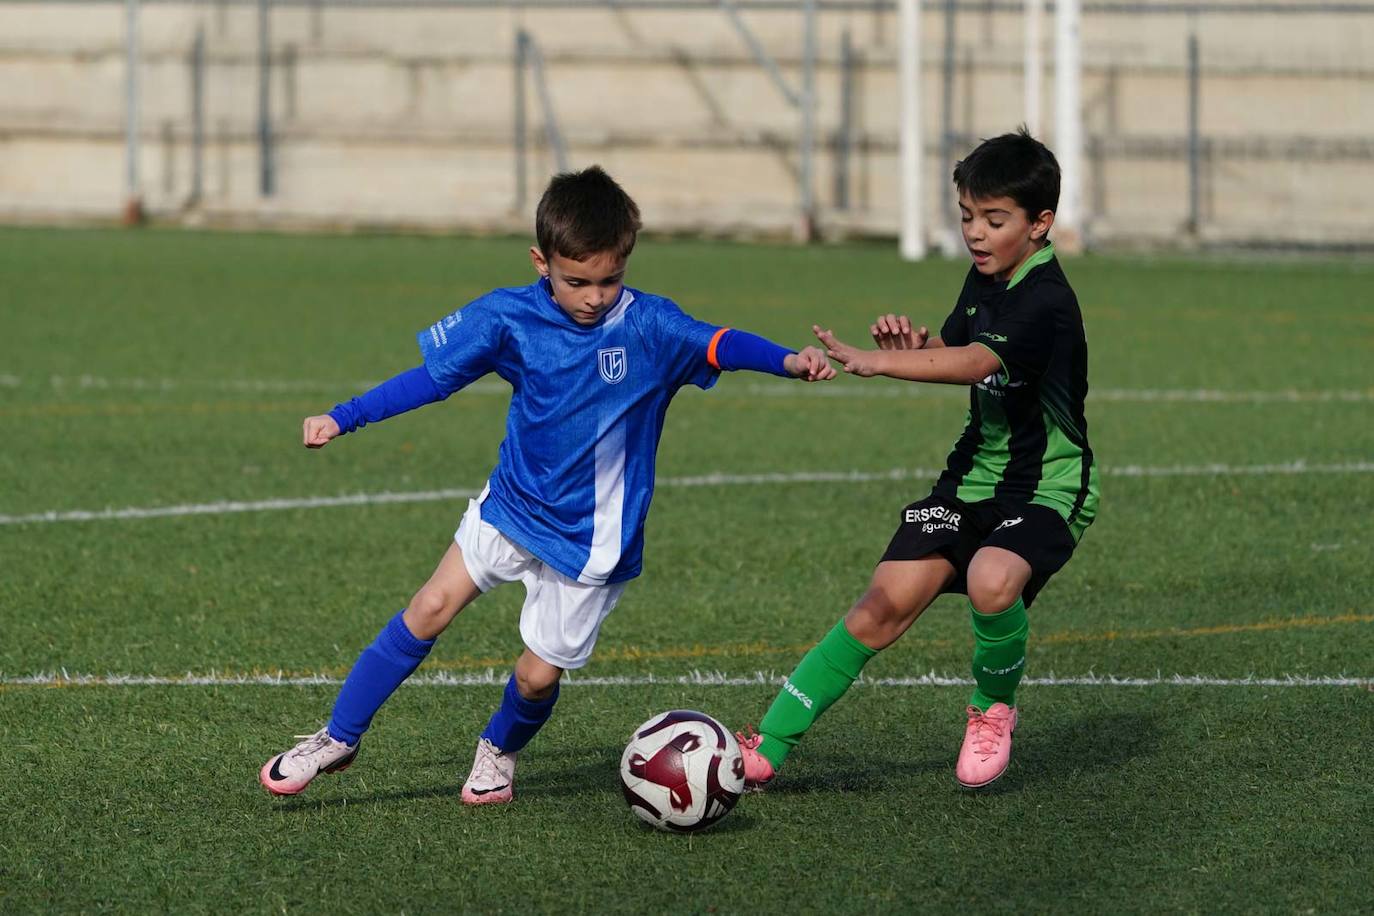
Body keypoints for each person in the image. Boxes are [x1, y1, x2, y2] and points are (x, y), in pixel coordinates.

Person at [259, 165, 835, 803]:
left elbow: (719, 343)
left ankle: (498, 749)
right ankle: (337, 738)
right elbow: (432, 379)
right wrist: (345, 416)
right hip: (511, 505)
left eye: (609, 280)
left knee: (535, 679)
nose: (594, 296)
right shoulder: (508, 317)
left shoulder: (650, 326)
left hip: (594, 541)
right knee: (427, 608)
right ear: (542, 262)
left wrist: (788, 360)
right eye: (576, 281)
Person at [737, 128, 1098, 790]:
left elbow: (980, 360)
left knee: (993, 578)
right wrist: (916, 345)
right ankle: (769, 743)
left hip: (1047, 485)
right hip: (970, 478)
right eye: (967, 217)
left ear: (1041, 223)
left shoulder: (1045, 297)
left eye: (995, 220)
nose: (976, 234)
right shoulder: (986, 276)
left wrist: (881, 362)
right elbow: (960, 349)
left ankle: (993, 708)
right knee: (881, 604)